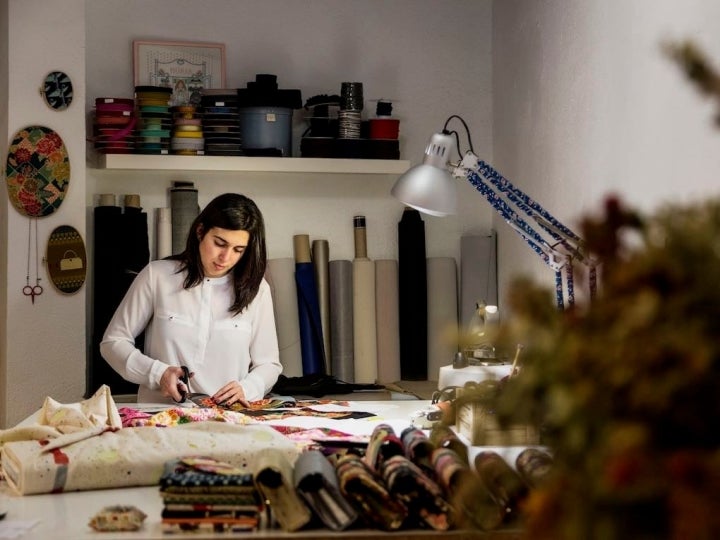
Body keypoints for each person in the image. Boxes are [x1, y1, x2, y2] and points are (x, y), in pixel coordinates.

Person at [100, 193, 282, 406]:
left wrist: (247, 388)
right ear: (200, 231)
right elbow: (113, 343)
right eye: (219, 243)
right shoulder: (157, 276)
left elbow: (269, 364)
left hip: (229, 421)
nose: (226, 257)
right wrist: (157, 373)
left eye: (238, 250)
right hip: (159, 420)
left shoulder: (256, 290)